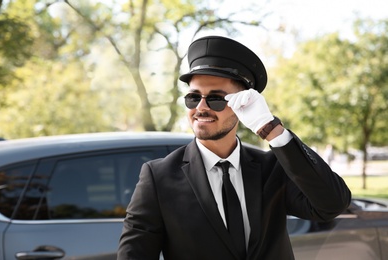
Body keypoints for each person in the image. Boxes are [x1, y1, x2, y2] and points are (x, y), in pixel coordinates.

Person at [117, 35, 351, 260]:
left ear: (244, 104)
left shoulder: (273, 168)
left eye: (216, 98)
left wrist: (271, 129)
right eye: (193, 97)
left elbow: (332, 204)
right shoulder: (158, 177)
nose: (201, 107)